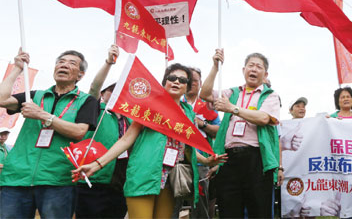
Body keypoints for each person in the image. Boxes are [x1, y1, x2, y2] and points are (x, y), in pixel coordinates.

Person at [74, 63, 225, 219]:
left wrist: (207, 161)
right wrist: (97, 164)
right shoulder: (149, 106)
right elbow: (126, 139)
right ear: (164, 82)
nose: (176, 82)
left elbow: (187, 149)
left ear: (187, 87)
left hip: (170, 179)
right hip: (144, 173)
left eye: (182, 80)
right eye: (172, 78)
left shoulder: (188, 114)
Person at [0, 49, 99, 218]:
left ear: (80, 75)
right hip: (17, 177)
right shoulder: (34, 96)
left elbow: (79, 132)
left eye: (71, 63)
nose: (64, 65)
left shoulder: (86, 101)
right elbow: (2, 99)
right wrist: (17, 68)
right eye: (60, 62)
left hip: (57, 181)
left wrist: (42, 115)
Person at [200, 49, 281, 218]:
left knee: (259, 210)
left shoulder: (270, 95)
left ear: (265, 74)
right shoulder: (232, 92)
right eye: (250, 65)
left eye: (258, 67)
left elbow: (264, 118)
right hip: (229, 159)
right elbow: (205, 94)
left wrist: (232, 108)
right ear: (243, 70)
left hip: (257, 159)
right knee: (229, 210)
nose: (253, 69)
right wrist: (215, 67)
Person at [75, 45, 130, 219]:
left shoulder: (131, 120)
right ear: (103, 94)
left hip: (121, 182)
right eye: (111, 90)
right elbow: (93, 88)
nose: (115, 94)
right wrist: (109, 62)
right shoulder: (97, 110)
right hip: (94, 179)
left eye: (120, 91)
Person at [175, 67, 221, 219]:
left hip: (201, 163)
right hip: (176, 161)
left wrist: (203, 125)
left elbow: (219, 131)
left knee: (200, 205)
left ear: (201, 83)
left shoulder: (207, 105)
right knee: (173, 204)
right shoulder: (175, 102)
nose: (191, 83)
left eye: (195, 80)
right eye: (189, 79)